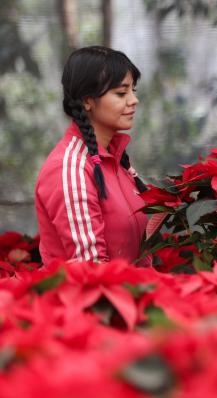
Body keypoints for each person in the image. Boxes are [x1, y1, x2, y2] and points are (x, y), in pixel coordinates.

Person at [35, 46, 150, 267]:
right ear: (87, 100)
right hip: (92, 299)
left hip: (133, 293)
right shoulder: (70, 168)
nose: (134, 100)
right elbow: (91, 268)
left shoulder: (116, 160)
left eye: (133, 90)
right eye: (121, 93)